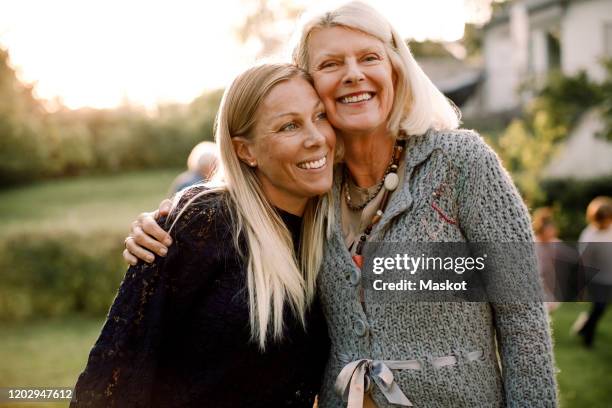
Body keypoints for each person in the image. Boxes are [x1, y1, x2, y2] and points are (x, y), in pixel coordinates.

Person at [123, 2, 557, 407]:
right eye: (331, 64)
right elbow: (242, 203)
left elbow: (524, 324)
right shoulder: (312, 185)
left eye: (369, 57)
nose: (353, 74)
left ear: (396, 69)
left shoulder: (461, 164)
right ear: (309, 84)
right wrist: (165, 224)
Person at [71, 63, 334, 407]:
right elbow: (115, 372)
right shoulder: (205, 222)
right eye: (289, 125)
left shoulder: (335, 227)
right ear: (245, 151)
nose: (317, 138)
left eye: (320, 116)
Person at [575, 196, 612, 348]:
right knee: (600, 306)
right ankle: (587, 338)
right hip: (596, 278)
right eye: (601, 220)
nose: (605, 223)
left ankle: (584, 326)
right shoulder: (589, 235)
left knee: (601, 308)